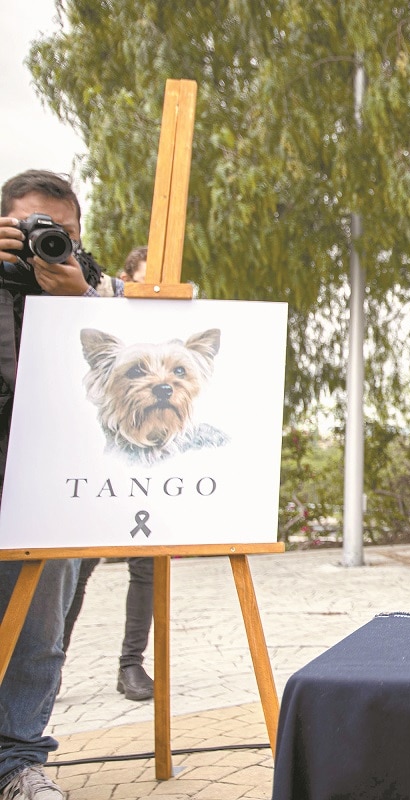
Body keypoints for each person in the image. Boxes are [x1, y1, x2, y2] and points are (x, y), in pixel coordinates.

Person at [0, 170, 125, 800]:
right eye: (29, 231)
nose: (45, 243)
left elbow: (141, 358)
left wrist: (81, 301)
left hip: (52, 483)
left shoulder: (98, 287)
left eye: (62, 234)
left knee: (38, 628)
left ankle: (18, 763)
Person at [60, 245, 155, 703]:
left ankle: (131, 664)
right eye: (148, 273)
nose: (159, 282)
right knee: (75, 566)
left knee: (148, 569)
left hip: (156, 469)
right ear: (126, 277)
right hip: (100, 462)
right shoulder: (100, 312)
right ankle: (50, 661)